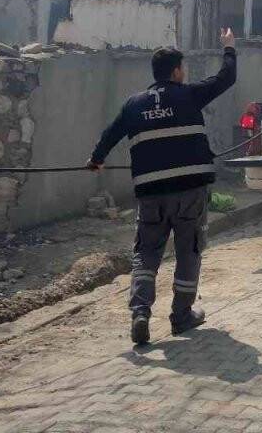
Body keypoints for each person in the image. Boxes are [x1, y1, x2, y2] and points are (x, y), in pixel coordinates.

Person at [87, 28, 238, 346]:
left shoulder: (133, 104)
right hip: (189, 192)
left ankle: (140, 313)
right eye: (182, 68)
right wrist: (229, 48)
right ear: (176, 71)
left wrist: (96, 159)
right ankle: (181, 316)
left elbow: (109, 135)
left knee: (146, 253)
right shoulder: (190, 94)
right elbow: (226, 79)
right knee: (188, 251)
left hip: (150, 195)